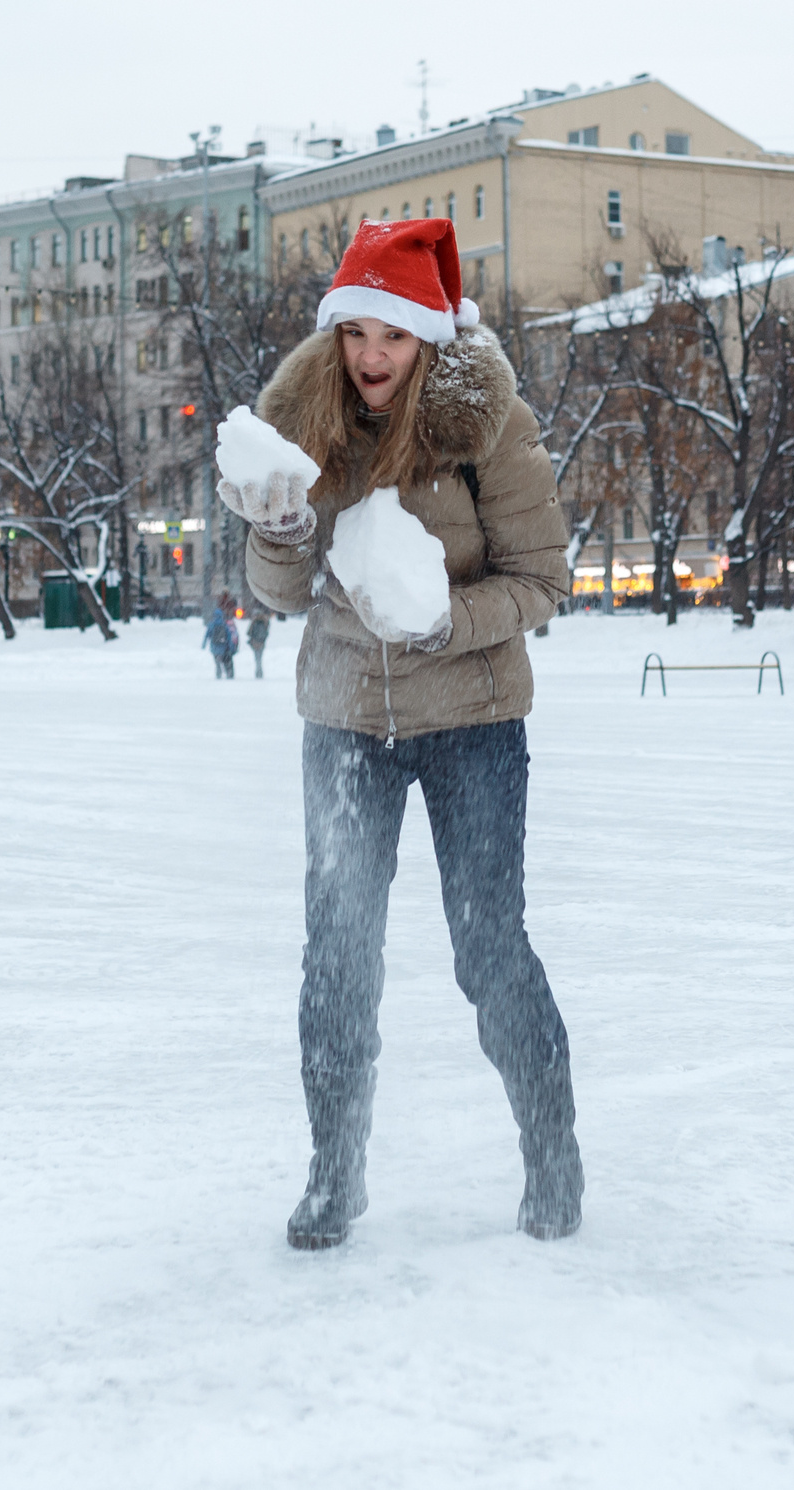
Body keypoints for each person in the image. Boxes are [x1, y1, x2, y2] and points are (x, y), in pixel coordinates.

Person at [215, 219, 579, 1249]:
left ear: (430, 338)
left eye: (395, 336)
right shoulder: (304, 421)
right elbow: (279, 592)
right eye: (357, 332)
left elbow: (542, 581)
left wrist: (440, 623)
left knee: (489, 951)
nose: (372, 356)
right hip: (342, 723)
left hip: (471, 721)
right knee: (335, 956)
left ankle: (551, 1155)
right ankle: (334, 1172)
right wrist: (279, 533)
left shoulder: (487, 425)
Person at [203, 593, 240, 679]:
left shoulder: (211, 624)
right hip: (223, 647)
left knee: (217, 662)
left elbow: (207, 635)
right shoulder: (224, 625)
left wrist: (204, 644)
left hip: (214, 646)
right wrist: (231, 646)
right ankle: (227, 673)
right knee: (225, 660)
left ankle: (218, 673)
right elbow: (229, 636)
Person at [247, 608, 272, 679]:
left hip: (255, 643)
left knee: (257, 658)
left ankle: (258, 672)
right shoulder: (265, 621)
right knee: (260, 657)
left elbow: (248, 632)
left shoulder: (254, 621)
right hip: (261, 643)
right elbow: (267, 632)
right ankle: (260, 672)